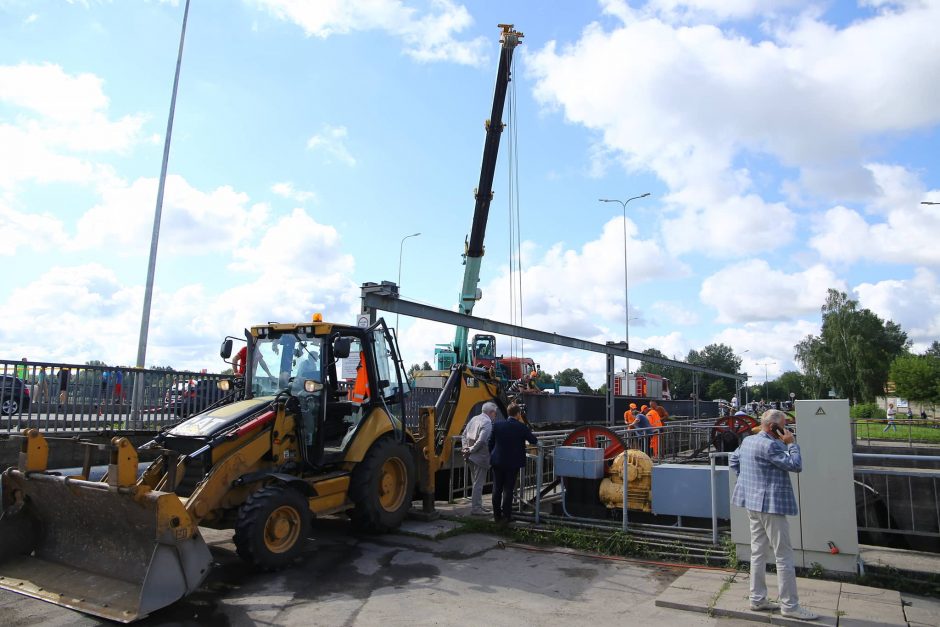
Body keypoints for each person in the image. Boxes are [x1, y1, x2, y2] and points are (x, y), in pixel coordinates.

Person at [730, 410, 818, 621]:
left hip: (752, 504)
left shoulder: (748, 441)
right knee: (783, 555)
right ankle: (790, 605)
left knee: (758, 552)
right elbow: (796, 465)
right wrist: (791, 443)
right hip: (771, 506)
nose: (787, 429)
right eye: (784, 425)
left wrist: (750, 483)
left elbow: (734, 461)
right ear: (773, 428)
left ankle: (757, 598)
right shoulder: (773, 445)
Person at [488, 403, 538, 523]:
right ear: (518, 414)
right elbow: (533, 440)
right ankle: (507, 515)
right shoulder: (521, 427)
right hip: (513, 462)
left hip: (497, 461)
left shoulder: (497, 425)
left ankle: (496, 515)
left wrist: (494, 454)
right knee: (508, 489)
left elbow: (490, 442)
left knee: (497, 488)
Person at [461, 401, 498, 515]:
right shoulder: (487, 422)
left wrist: (465, 448)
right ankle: (476, 508)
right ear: (491, 412)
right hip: (480, 457)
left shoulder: (474, 418)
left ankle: (478, 505)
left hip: (470, 456)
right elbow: (482, 441)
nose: (495, 416)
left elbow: (464, 435)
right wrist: (471, 449)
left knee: (475, 482)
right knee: (478, 483)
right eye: (495, 414)